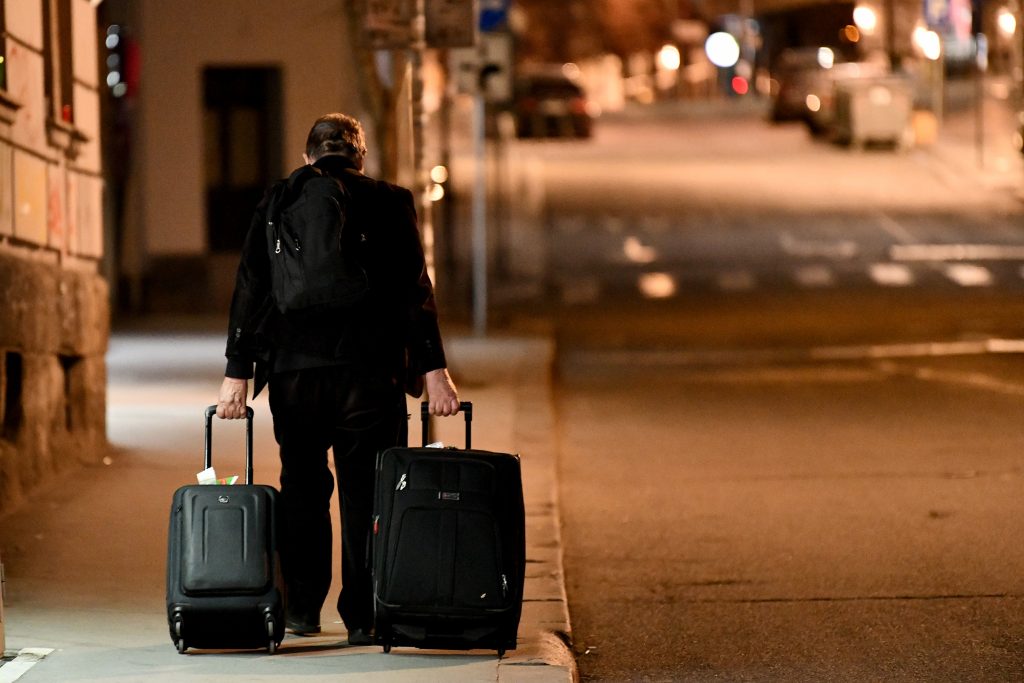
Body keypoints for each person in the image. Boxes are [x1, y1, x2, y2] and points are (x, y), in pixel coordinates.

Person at [215, 113, 459, 646]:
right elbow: (414, 290)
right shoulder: (389, 200)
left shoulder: (279, 198)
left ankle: (303, 607)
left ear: (309, 158)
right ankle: (364, 614)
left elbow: (252, 284)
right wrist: (434, 372)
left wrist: (237, 370)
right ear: (359, 157)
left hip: (295, 371)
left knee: (302, 485)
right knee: (367, 490)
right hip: (370, 373)